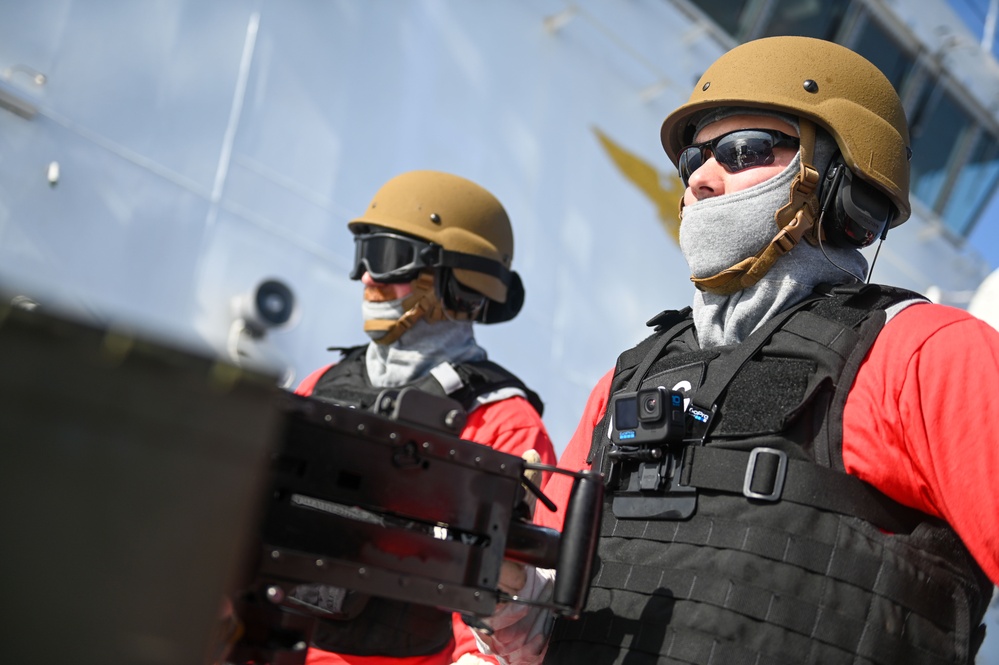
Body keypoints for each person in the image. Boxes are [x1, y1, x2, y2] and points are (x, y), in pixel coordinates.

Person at [471, 36, 999, 665]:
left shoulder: (925, 354)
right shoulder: (628, 382)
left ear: (839, 183)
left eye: (743, 150)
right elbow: (552, 631)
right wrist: (504, 588)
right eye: (692, 158)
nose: (700, 178)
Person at [292, 170, 557, 665]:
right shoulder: (321, 385)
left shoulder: (504, 424)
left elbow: (505, 610)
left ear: (458, 281)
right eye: (363, 255)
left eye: (388, 258)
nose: (366, 277)